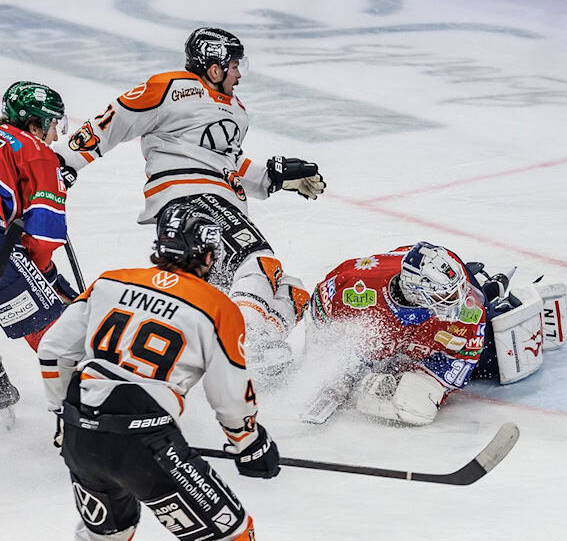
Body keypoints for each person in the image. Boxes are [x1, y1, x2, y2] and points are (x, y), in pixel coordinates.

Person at [53, 27, 324, 383]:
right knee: (258, 263)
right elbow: (112, 120)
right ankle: (248, 347)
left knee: (289, 290)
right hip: (190, 199)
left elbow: (227, 164)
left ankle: (237, 353)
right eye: (234, 65)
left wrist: (272, 177)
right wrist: (62, 163)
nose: (239, 73)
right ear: (213, 67)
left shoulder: (236, 110)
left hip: (222, 200)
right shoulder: (172, 87)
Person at [37, 203, 279, 541]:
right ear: (207, 254)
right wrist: (250, 444)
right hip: (146, 446)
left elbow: (52, 352)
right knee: (234, 536)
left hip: (82, 439)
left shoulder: (109, 281)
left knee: (106, 538)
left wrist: (64, 416)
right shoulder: (217, 307)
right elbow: (230, 396)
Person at [306, 241, 567, 425]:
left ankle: (496, 297)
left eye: (456, 291)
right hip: (400, 323)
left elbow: (463, 359)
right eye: (446, 295)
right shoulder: (357, 288)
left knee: (480, 368)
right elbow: (319, 312)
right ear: (415, 290)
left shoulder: (465, 308)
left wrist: (425, 381)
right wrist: (331, 363)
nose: (458, 300)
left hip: (431, 332)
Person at [0, 80, 77, 416]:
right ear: (35, 124)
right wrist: (45, 276)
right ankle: (100, 411)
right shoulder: (36, 151)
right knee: (57, 336)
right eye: (53, 126)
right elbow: (43, 236)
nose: (55, 137)